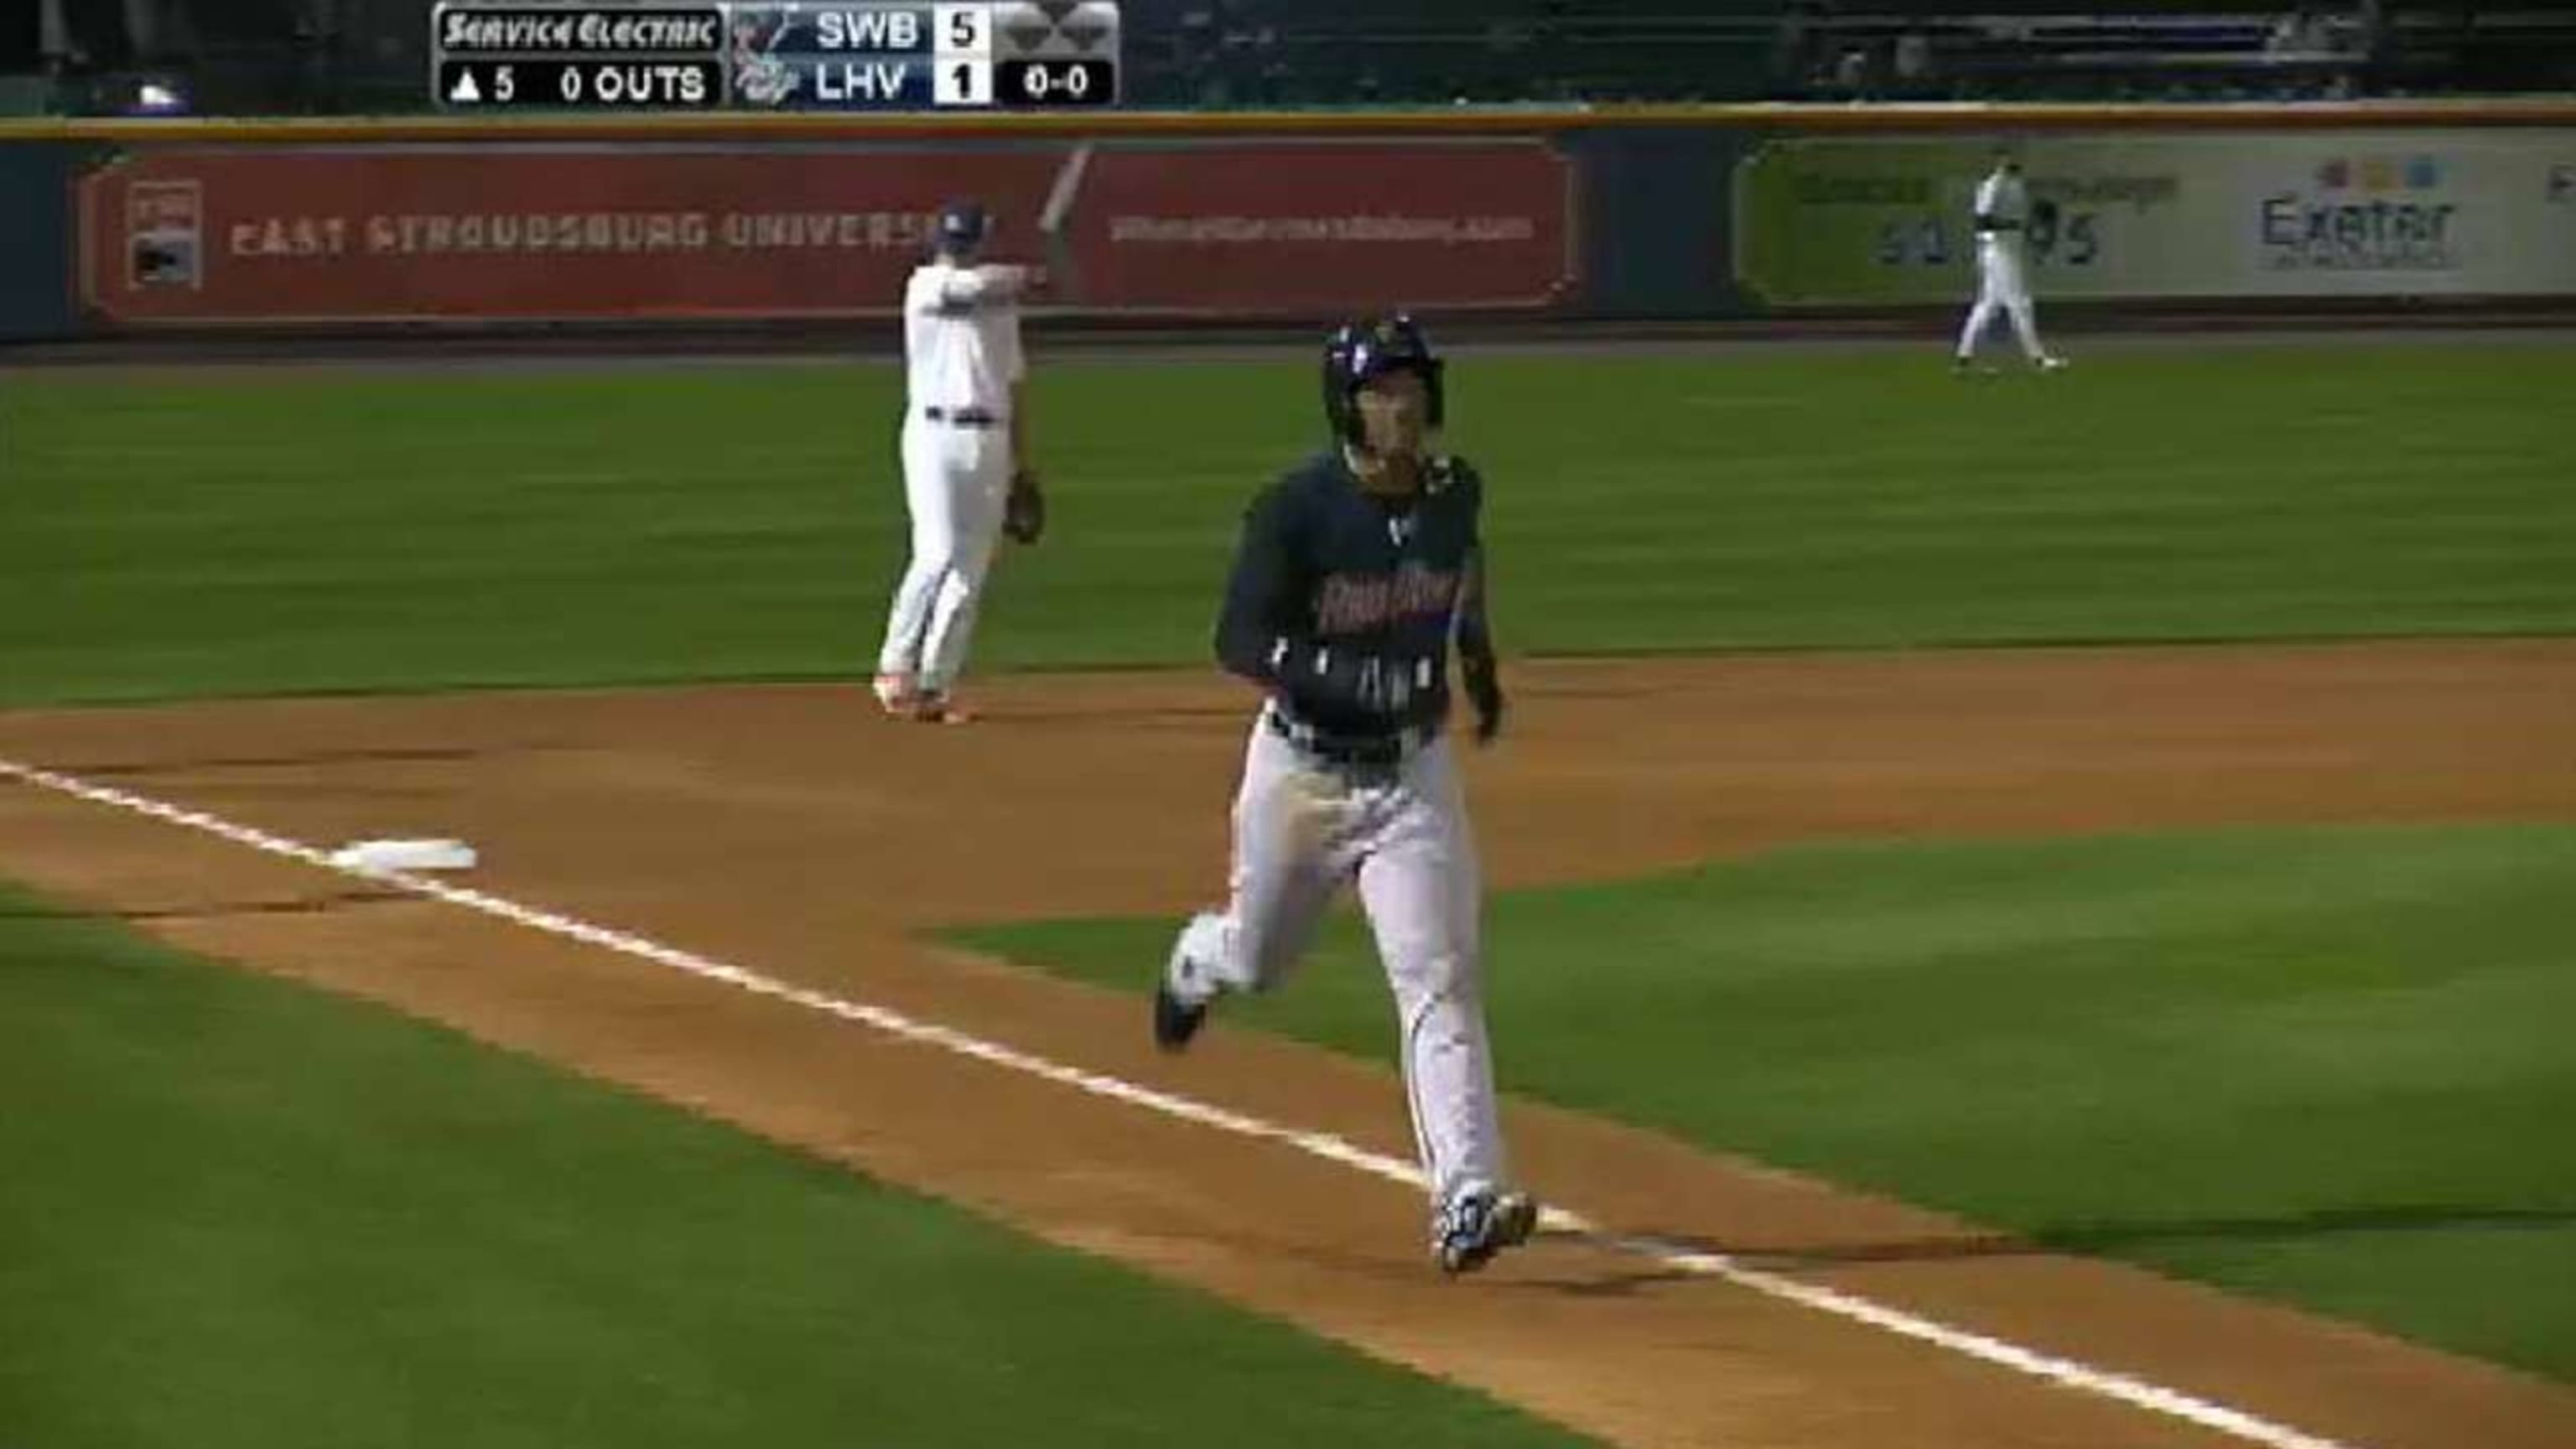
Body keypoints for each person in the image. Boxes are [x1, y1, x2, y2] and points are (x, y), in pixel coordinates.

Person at [1153, 314, 1539, 1276]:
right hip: (1303, 777)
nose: (1400, 405)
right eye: (1380, 390)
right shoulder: (1295, 510)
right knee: (1260, 958)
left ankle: (1466, 1194)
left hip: (1413, 780)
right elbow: (1239, 638)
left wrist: (1479, 662)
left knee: (1439, 977)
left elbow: (1464, 569)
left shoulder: (1456, 493)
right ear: (1347, 405)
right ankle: (1200, 961)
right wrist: (1341, 678)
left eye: (1410, 387)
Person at [873, 198, 1041, 723]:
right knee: (938, 551)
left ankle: (935, 684)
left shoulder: (1002, 307)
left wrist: (1023, 463)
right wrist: (1030, 274)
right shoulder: (925, 286)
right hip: (933, 434)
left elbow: (1014, 384)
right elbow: (972, 287)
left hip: (990, 436)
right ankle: (894, 666)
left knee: (972, 566)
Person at [1954, 150, 2068, 373]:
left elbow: (2018, 216)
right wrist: (2014, 226)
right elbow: (1982, 221)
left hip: (2008, 250)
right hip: (1999, 251)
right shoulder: (1993, 185)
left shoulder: (2015, 185)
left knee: (1987, 307)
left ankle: (1963, 358)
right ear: (1999, 162)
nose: (2014, 163)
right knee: (2020, 304)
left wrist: (2025, 224)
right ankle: (2038, 359)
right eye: (2007, 159)